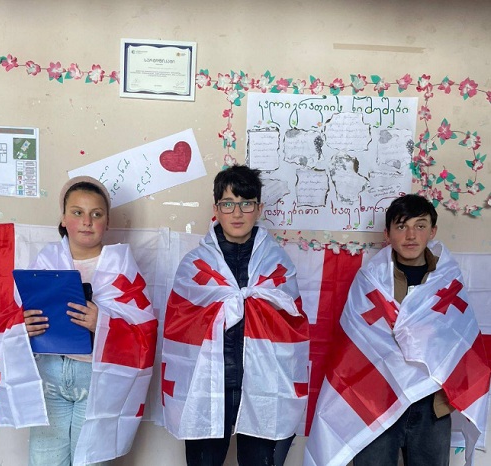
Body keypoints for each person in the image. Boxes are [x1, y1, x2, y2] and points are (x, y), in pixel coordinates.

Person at [304, 194, 490, 466]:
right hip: (376, 402)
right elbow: (356, 343)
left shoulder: (448, 279)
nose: (411, 235)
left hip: (431, 405)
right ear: (387, 233)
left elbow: (459, 340)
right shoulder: (370, 281)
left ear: (433, 231)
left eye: (420, 226)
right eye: (401, 226)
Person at [161, 164, 310, 466]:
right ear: (216, 209)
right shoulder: (195, 264)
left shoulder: (277, 263)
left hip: (264, 383)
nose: (237, 213)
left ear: (259, 209)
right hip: (208, 382)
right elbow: (181, 326)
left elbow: (291, 324)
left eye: (246, 204)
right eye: (228, 204)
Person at [22, 176, 157, 466]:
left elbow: (145, 328)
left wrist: (103, 321)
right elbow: (13, 317)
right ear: (63, 218)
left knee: (91, 460)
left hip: (98, 377)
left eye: (96, 214)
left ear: (107, 222)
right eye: (77, 212)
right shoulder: (45, 262)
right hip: (50, 373)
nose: (87, 221)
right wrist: (23, 324)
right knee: (44, 459)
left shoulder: (122, 267)